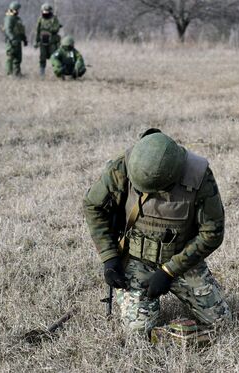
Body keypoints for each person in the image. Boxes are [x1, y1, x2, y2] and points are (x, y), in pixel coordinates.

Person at [83, 129, 231, 336]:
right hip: (136, 259)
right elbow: (93, 205)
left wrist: (169, 271)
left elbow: (212, 232)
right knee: (138, 330)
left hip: (181, 260)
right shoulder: (125, 164)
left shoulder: (199, 176)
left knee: (221, 321)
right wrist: (109, 258)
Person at [34, 3, 62, 77]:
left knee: (54, 57)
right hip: (42, 42)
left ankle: (58, 72)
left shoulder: (54, 18)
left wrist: (49, 30)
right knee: (42, 57)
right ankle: (42, 74)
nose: (45, 13)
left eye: (47, 11)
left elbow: (56, 28)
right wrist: (36, 41)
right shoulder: (40, 19)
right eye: (44, 11)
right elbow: (37, 30)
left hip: (52, 42)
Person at [3, 1, 27, 77]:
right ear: (13, 9)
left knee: (18, 58)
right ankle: (9, 74)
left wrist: (24, 39)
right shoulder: (9, 18)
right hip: (11, 42)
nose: (18, 11)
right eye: (17, 9)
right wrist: (12, 39)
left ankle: (17, 73)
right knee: (10, 57)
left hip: (18, 40)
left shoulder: (17, 19)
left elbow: (21, 30)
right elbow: (8, 30)